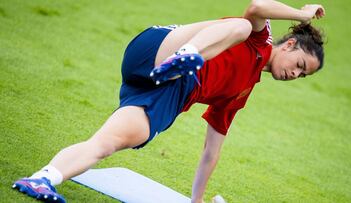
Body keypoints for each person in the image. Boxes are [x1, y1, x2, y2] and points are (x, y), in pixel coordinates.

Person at [12, 0, 325, 203]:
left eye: (303, 76)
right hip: (158, 50)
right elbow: (257, 6)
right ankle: (187, 55)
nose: (296, 74)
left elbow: (211, 150)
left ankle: (42, 179)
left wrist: (196, 201)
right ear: (290, 44)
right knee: (243, 25)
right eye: (300, 65)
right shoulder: (260, 40)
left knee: (106, 144)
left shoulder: (241, 93)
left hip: (165, 93)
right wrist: (301, 13)